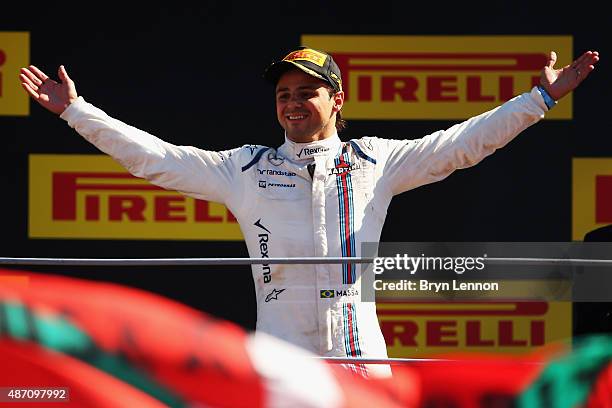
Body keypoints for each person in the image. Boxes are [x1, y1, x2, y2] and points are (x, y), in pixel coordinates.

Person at [19, 46, 599, 378]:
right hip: (283, 363)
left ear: (336, 100)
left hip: (363, 362)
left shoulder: (377, 160)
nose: (293, 103)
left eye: (307, 92)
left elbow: (463, 144)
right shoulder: (243, 169)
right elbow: (155, 159)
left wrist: (538, 100)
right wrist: (77, 112)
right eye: (283, 95)